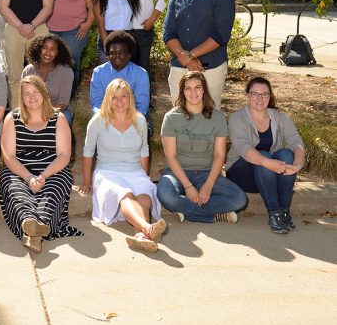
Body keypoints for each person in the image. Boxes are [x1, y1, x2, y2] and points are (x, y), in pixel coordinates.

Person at [80, 79, 165, 253]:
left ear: (130, 98)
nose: (119, 102)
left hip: (134, 170)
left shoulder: (140, 120)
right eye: (114, 97)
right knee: (125, 194)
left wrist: (144, 176)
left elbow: (144, 151)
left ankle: (140, 236)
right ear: (108, 99)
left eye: (123, 96)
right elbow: (88, 153)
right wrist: (87, 181)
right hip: (107, 171)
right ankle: (147, 228)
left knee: (145, 195)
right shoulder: (98, 121)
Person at [0, 76, 82, 254]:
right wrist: (28, 177)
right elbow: (9, 156)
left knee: (54, 189)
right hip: (20, 169)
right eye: (26, 94)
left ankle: (33, 232)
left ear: (44, 94)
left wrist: (43, 176)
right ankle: (32, 224)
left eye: (36, 92)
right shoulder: (12, 118)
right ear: (21, 97)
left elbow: (64, 155)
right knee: (15, 190)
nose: (32, 97)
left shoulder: (58, 118)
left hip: (52, 168)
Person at [156, 71, 247, 224]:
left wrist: (209, 185)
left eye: (197, 87)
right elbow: (171, 157)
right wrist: (189, 186)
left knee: (239, 199)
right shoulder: (171, 118)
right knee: (165, 194)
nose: (193, 92)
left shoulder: (217, 118)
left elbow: (219, 155)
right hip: (178, 173)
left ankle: (185, 210)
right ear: (182, 92)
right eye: (188, 88)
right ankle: (215, 215)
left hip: (207, 173)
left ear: (204, 89)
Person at [226, 77, 305, 234]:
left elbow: (296, 142)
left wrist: (297, 165)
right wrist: (266, 162)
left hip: (268, 175)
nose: (259, 98)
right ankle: (274, 213)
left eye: (265, 94)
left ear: (270, 96)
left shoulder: (280, 117)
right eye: (255, 94)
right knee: (263, 155)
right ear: (247, 95)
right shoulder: (237, 118)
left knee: (286, 154)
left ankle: (283, 211)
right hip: (241, 174)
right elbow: (243, 147)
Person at [163, 0, 235, 110]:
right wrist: (187, 59)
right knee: (179, 113)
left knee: (209, 113)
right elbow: (168, 33)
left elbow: (221, 35)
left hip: (211, 67)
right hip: (179, 66)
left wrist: (190, 55)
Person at [47, 0, 93, 88]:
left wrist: (87, 24)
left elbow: (93, 7)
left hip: (74, 31)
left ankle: (68, 100)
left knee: (70, 63)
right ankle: (51, 97)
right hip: (50, 30)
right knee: (50, 65)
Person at [89, 31, 150, 120]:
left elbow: (141, 105)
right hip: (106, 117)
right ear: (108, 56)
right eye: (113, 53)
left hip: (132, 117)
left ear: (129, 55)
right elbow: (97, 104)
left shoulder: (141, 74)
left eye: (122, 52)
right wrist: (108, 119)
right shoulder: (98, 73)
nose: (117, 56)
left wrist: (127, 121)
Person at [22, 33, 75, 128]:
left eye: (52, 49)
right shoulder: (29, 70)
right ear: (38, 49)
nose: (47, 52)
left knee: (64, 119)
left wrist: (42, 113)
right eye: (44, 48)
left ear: (58, 52)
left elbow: (63, 104)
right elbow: (24, 98)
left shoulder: (66, 71)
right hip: (32, 110)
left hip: (58, 112)